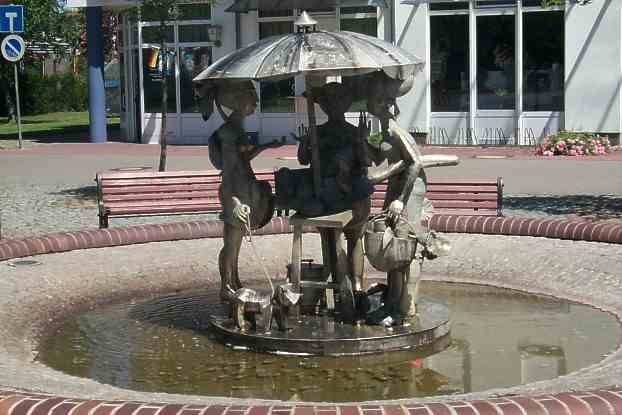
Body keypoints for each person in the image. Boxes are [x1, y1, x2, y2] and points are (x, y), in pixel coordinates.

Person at [195, 80, 282, 301]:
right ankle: (226, 287)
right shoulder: (229, 132)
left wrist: (266, 147)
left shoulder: (236, 129)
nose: (256, 101)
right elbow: (231, 169)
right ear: (237, 101)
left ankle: (234, 281)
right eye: (251, 96)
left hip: (242, 188)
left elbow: (242, 159)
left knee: (236, 240)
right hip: (235, 191)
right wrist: (234, 201)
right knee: (231, 243)